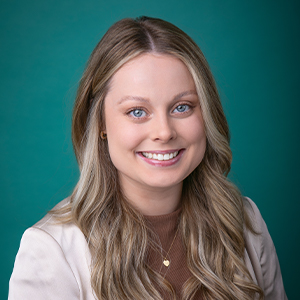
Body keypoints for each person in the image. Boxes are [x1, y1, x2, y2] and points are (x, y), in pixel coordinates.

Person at [8, 16, 287, 300]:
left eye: (182, 107)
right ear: (101, 124)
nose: (164, 132)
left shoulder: (244, 221)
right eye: (137, 111)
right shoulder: (50, 250)